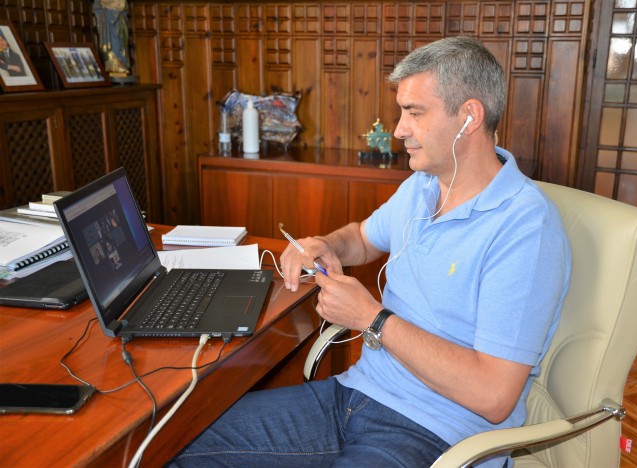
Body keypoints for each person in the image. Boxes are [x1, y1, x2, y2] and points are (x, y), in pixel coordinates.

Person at [169, 36, 571, 468]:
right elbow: (362, 237)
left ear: (469, 117)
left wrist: (372, 318)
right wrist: (327, 244)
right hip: (354, 395)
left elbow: (493, 396)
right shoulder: (423, 186)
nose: (399, 129)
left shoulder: (526, 228)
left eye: (414, 113)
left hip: (437, 433)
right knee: (176, 444)